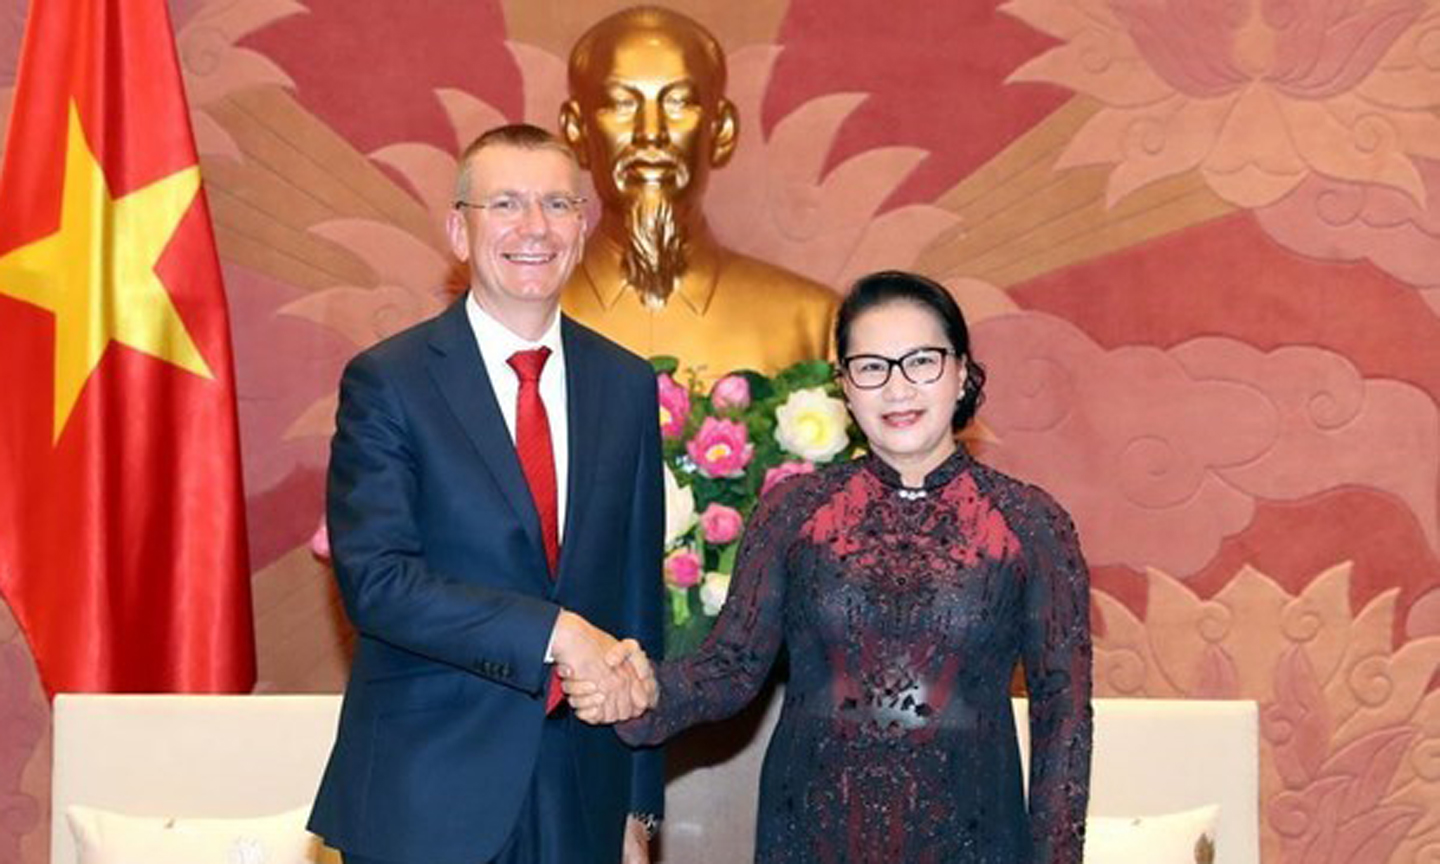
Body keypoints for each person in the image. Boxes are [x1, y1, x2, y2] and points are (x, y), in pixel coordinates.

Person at [569, 270, 1093, 863]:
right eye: (871, 366)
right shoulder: (796, 512)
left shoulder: (1031, 524)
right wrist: (642, 691)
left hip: (973, 837)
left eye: (921, 361)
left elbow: (1063, 717)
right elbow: (730, 669)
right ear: (844, 386)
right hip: (812, 833)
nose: (897, 389)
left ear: (962, 371)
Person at [308, 123, 664, 864]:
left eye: (558, 206)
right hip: (428, 792)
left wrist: (639, 805)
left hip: (583, 794)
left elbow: (638, 602)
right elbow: (378, 581)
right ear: (458, 232)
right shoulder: (389, 382)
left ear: (583, 227)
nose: (534, 228)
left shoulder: (625, 384)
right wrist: (555, 632)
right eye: (505, 204)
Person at [559, 6, 837, 383]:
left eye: (678, 103)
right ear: (576, 132)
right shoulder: (511, 325)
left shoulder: (813, 324)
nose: (651, 133)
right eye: (622, 103)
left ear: (721, 131)